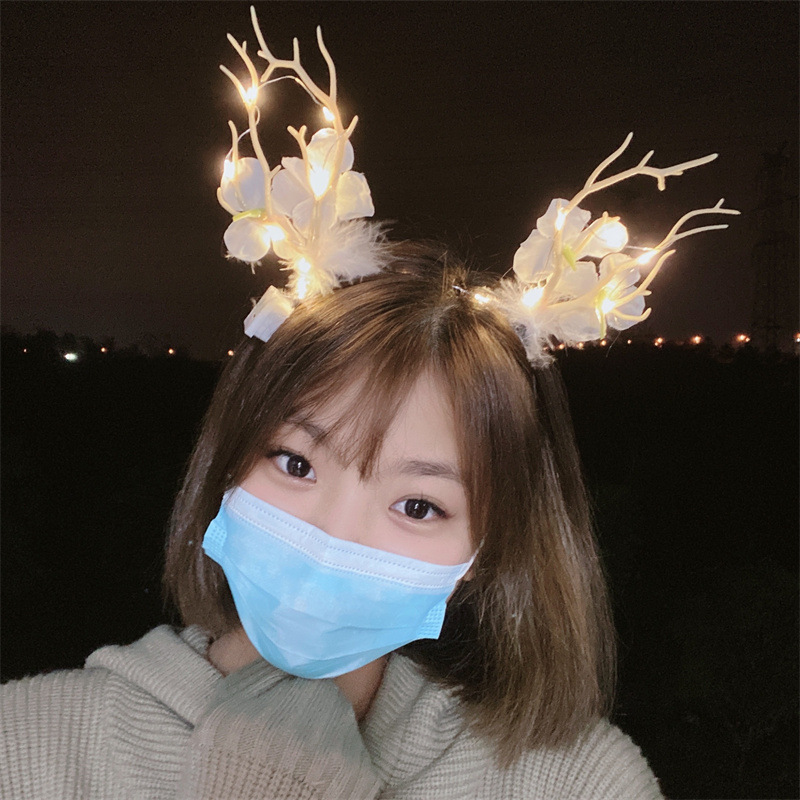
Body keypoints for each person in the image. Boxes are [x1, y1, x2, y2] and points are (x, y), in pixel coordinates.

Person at [1, 244, 663, 798]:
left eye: (418, 506)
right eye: (296, 464)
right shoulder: (24, 741)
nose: (332, 538)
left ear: (485, 549)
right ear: (227, 463)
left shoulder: (581, 782)